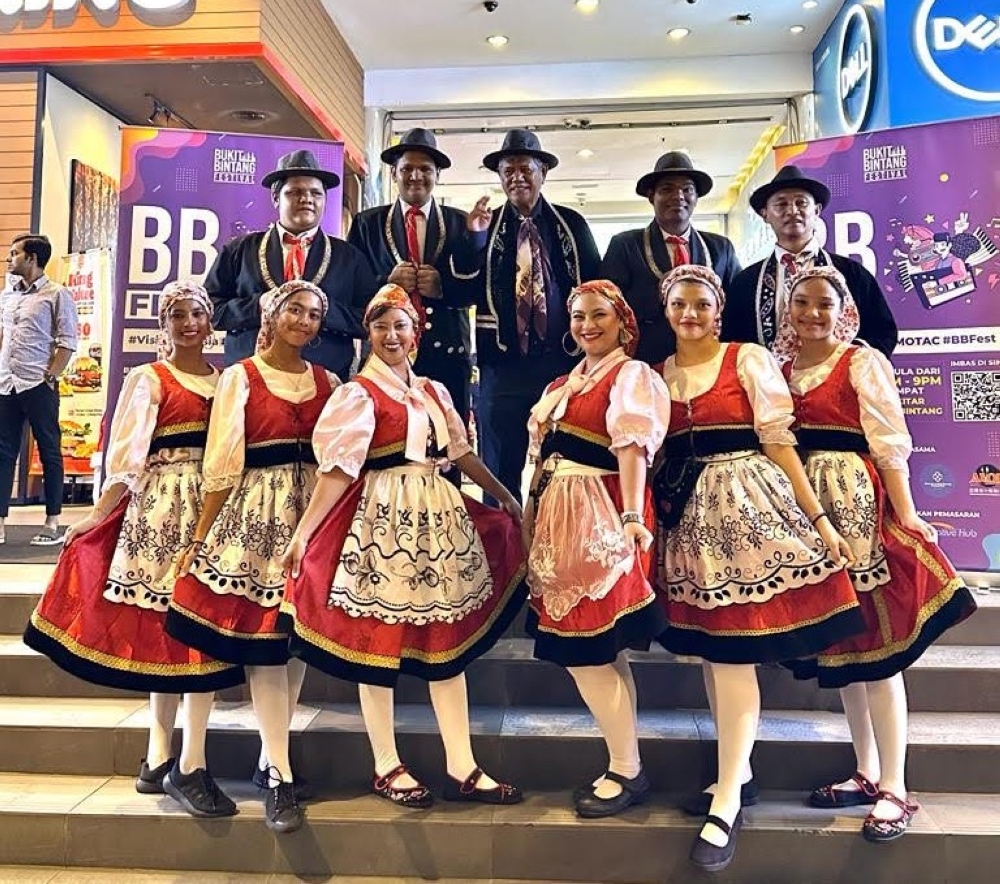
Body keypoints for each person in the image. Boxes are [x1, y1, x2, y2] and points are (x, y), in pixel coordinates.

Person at [281, 284, 526, 810]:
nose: (391, 336)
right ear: (367, 334)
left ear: (416, 333)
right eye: (381, 326)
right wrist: (304, 534)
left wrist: (506, 497)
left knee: (447, 642)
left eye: (400, 325)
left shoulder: (434, 391)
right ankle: (385, 762)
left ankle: (462, 763)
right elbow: (338, 470)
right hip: (384, 518)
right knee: (379, 642)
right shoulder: (357, 395)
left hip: (437, 513)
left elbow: (459, 452)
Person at [653, 265, 864, 873]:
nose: (690, 314)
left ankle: (726, 799)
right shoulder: (662, 373)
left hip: (747, 506)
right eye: (679, 305)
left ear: (718, 311)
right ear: (666, 312)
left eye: (700, 304)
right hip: (690, 518)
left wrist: (819, 519)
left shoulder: (746, 358)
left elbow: (778, 441)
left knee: (734, 653)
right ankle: (736, 771)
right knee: (712, 654)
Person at [23, 280, 242, 818]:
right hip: (165, 509)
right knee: (181, 634)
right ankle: (183, 762)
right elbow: (126, 456)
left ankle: (159, 757)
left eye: (197, 314)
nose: (189, 323)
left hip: (214, 510)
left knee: (189, 633)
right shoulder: (149, 379)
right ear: (163, 324)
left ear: (210, 321)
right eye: (178, 315)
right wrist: (98, 515)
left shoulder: (225, 381)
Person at [780, 266, 976, 843]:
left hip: (857, 502)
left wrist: (907, 512)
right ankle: (866, 770)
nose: (812, 314)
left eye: (823, 304)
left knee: (880, 647)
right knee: (847, 651)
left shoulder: (861, 363)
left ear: (842, 310)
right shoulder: (782, 370)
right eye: (802, 304)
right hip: (808, 508)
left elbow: (889, 443)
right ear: (787, 311)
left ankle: (896, 784)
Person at [166, 280, 339, 834]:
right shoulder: (240, 377)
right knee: (265, 642)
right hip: (255, 515)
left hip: (309, 517)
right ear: (271, 312)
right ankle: (279, 777)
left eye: (314, 314)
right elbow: (221, 461)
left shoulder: (328, 382)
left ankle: (273, 757)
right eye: (295, 309)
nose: (305, 321)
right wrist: (198, 536)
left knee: (296, 644)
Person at [523, 280, 670, 818]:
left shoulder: (631, 375)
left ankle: (626, 770)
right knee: (602, 653)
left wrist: (632, 515)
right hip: (561, 516)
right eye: (579, 315)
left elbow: (632, 448)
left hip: (601, 516)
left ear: (622, 321)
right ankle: (625, 760)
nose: (587, 325)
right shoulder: (564, 383)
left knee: (586, 650)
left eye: (599, 315)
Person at [454, 128, 601, 503]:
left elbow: (598, 287)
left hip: (562, 365)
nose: (517, 177)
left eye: (525, 168)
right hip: (501, 366)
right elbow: (459, 290)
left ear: (543, 173)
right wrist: (473, 239)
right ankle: (504, 554)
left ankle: (557, 544)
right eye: (508, 170)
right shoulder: (483, 225)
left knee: (562, 463)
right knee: (499, 470)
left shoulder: (571, 225)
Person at [207, 150, 377, 380]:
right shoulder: (239, 250)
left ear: (325, 201)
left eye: (316, 193)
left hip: (325, 382)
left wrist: (321, 312)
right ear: (276, 198)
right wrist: (258, 305)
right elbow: (210, 312)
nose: (306, 199)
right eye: (295, 192)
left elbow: (369, 319)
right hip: (250, 378)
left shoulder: (349, 257)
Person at [348, 128, 475, 424]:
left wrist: (443, 288)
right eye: (407, 168)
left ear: (438, 175)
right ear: (394, 173)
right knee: (387, 441)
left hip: (447, 354)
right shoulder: (367, 224)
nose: (416, 176)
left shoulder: (460, 223)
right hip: (387, 352)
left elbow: (477, 289)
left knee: (448, 445)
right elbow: (352, 288)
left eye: (425, 169)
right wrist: (387, 284)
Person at [722, 165, 897, 360]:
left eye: (801, 203)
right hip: (767, 387)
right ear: (765, 214)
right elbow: (732, 342)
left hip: (839, 385)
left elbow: (883, 332)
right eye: (781, 204)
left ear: (817, 210)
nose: (792, 210)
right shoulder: (746, 282)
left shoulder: (851, 273)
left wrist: (849, 367)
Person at [601, 152, 741, 365]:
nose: (678, 196)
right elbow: (610, 307)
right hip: (646, 361)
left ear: (696, 197)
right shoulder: (626, 245)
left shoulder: (720, 248)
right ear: (651, 196)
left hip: (710, 363)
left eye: (687, 189)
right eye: (667, 189)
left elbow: (736, 308)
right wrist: (662, 292)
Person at [0, 234, 79, 546]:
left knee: (49, 450)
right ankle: (1, 522)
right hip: (7, 382)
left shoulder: (56, 294)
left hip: (37, 383)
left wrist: (51, 375)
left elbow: (67, 340)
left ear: (32, 258)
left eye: (15, 253)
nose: (9, 258)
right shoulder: (8, 294)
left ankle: (52, 520)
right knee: (4, 453)